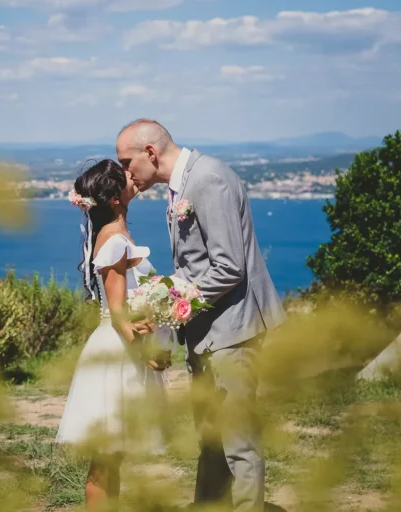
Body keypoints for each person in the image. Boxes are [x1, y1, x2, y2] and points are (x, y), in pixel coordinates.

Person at [116, 119, 287, 511]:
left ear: (150, 153)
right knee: (210, 438)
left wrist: (171, 304)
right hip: (208, 331)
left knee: (239, 442)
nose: (126, 173)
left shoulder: (207, 178)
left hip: (233, 332)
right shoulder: (181, 184)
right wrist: (164, 292)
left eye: (127, 162)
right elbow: (196, 265)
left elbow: (229, 267)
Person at [55, 159, 170, 512]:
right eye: (125, 178)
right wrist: (143, 352)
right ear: (115, 198)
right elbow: (119, 311)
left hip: (118, 345)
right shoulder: (115, 239)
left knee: (111, 457)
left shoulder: (114, 234)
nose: (133, 177)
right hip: (118, 352)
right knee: (104, 462)